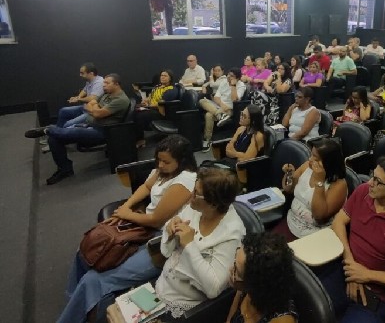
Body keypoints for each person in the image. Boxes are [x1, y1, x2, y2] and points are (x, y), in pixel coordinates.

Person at [57, 135, 197, 322]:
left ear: (182, 161)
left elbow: (156, 220)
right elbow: (146, 187)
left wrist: (126, 214)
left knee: (95, 279)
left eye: (166, 162)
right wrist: (125, 207)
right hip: (143, 226)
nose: (160, 165)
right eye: (159, 160)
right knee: (87, 250)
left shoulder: (185, 179)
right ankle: (75, 299)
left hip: (162, 240)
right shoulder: (164, 170)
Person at [320, 156, 385, 322]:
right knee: (310, 306)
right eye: (373, 175)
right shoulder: (364, 191)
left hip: (378, 293)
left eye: (377, 181)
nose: (370, 182)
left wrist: (366, 275)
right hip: (346, 270)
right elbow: (338, 222)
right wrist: (351, 266)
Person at [155, 167, 245, 318]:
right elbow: (166, 252)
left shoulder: (231, 234)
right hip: (163, 285)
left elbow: (213, 288)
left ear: (213, 204)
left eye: (196, 193)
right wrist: (170, 231)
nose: (191, 195)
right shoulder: (194, 208)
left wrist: (190, 245)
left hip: (186, 308)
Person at [25, 74, 131, 185]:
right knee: (54, 139)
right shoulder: (107, 94)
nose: (103, 85)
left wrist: (94, 108)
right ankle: (65, 169)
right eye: (104, 82)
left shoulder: (121, 100)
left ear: (116, 84)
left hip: (103, 132)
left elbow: (97, 113)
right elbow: (90, 104)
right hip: (90, 125)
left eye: (107, 83)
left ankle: (48, 130)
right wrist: (94, 108)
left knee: (70, 131)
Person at [274, 138, 348, 241]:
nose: (310, 159)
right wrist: (289, 174)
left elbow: (319, 216)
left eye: (316, 158)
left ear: (329, 162)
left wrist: (319, 182)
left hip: (314, 234)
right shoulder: (306, 166)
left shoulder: (339, 184)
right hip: (291, 222)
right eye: (311, 155)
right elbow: (288, 188)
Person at [226, 233, 297, 323]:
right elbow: (229, 320)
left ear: (256, 286)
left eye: (237, 272)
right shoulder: (244, 289)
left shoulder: (281, 320)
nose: (231, 270)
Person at [199, 68, 246, 151]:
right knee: (202, 101)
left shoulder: (241, 85)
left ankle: (207, 139)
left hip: (229, 109)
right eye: (228, 74)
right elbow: (216, 97)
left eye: (232, 76)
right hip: (219, 107)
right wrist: (221, 107)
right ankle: (219, 114)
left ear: (237, 78)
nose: (228, 77)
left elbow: (234, 100)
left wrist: (233, 86)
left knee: (208, 115)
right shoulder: (224, 82)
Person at [134, 69, 177, 148]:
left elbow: (161, 104)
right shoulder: (157, 87)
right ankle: (134, 137)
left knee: (140, 116)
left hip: (161, 112)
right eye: (161, 75)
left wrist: (148, 106)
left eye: (165, 76)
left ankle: (140, 140)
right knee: (134, 111)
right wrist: (145, 101)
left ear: (170, 78)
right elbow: (150, 96)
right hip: (150, 108)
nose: (162, 77)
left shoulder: (171, 89)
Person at [223, 104, 265, 185]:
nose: (241, 117)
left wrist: (234, 153)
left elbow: (247, 159)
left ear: (253, 121)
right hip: (230, 162)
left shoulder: (257, 136)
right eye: (241, 114)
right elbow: (228, 149)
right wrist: (239, 154)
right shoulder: (240, 129)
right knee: (205, 168)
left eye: (244, 116)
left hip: (242, 169)